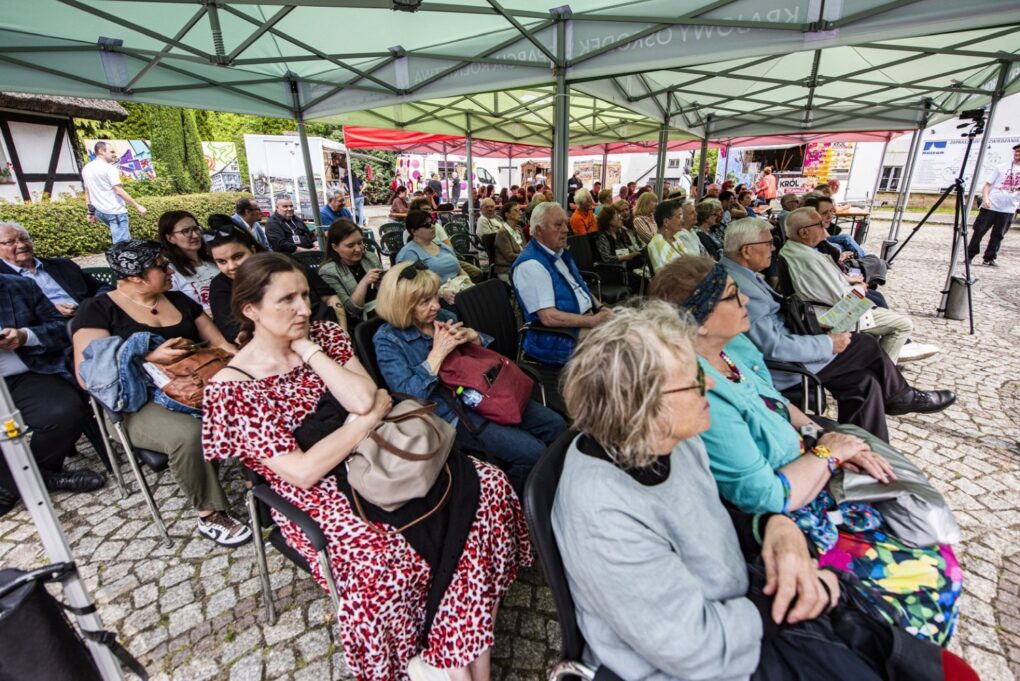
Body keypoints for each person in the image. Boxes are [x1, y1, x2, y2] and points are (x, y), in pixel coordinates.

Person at [552, 301, 975, 680]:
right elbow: (697, 650)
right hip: (707, 659)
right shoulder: (601, 510)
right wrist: (792, 602)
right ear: (643, 403)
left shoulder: (668, 440)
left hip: (741, 605)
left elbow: (711, 515)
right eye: (693, 381)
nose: (713, 386)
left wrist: (774, 528)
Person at [202, 253, 531, 681]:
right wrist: (367, 418)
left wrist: (307, 348)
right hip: (316, 494)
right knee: (384, 558)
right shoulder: (230, 390)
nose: (304, 308)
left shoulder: (323, 336)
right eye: (287, 300)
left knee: (487, 487)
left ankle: (447, 649)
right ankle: (429, 657)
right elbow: (302, 472)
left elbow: (364, 399)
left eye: (304, 295)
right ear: (251, 310)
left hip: (377, 455)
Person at [648, 256, 964, 646]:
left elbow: (779, 405)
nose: (747, 299)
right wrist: (828, 452)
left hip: (811, 474)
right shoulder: (701, 390)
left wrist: (821, 433)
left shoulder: (736, 350)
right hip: (787, 512)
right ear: (699, 322)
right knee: (937, 570)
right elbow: (763, 496)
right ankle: (906, 658)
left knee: (924, 526)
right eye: (733, 295)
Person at [71, 240, 250, 546]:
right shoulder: (98, 309)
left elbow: (221, 345)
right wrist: (146, 357)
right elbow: (88, 375)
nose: (170, 270)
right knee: (190, 434)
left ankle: (258, 485)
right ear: (136, 276)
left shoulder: (179, 300)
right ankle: (210, 514)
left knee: (253, 400)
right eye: (162, 266)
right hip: (137, 400)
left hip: (195, 384)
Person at [721, 218, 955, 441]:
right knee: (864, 344)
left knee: (864, 383)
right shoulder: (741, 286)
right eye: (768, 243)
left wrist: (813, 328)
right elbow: (773, 346)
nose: (773, 248)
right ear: (747, 251)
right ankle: (900, 396)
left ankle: (873, 451)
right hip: (783, 368)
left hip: (791, 348)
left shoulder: (743, 275)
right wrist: (828, 344)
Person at [374, 261, 566, 494]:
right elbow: (409, 397)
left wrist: (475, 338)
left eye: (436, 296)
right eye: (425, 302)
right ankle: (520, 505)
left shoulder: (442, 316)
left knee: (556, 425)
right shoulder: (388, 340)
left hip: (487, 392)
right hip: (451, 414)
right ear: (403, 305)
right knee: (532, 453)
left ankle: (556, 484)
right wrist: (436, 355)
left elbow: (484, 356)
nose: (436, 306)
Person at [0, 274, 103, 517]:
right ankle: (49, 480)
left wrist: (25, 336)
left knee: (65, 412)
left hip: (24, 374)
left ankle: (13, 484)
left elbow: (61, 328)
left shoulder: (18, 285)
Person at [781, 208, 916, 363]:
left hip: (814, 309)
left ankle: (875, 363)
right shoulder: (809, 259)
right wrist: (861, 288)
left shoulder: (792, 249)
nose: (825, 227)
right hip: (829, 316)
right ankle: (886, 375)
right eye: (819, 224)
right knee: (903, 325)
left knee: (877, 301)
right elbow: (844, 300)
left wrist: (846, 280)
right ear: (804, 232)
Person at [205, 221, 346, 341]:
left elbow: (330, 297)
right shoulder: (220, 287)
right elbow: (237, 335)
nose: (231, 267)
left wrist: (343, 337)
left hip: (329, 336)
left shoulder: (285, 262)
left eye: (238, 256)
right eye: (221, 262)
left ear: (252, 250)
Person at [511, 202, 611, 367]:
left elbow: (581, 288)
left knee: (634, 332)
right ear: (538, 231)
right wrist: (593, 321)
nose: (565, 229)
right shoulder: (531, 265)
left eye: (565, 223)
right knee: (622, 349)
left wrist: (600, 307)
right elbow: (549, 318)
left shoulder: (559, 253)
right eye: (558, 225)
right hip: (557, 339)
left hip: (581, 322)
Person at [0, 221, 110, 315]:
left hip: (91, 316)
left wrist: (93, 303)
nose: (21, 245)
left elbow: (104, 287)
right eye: (10, 242)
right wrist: (50, 311)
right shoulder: (3, 279)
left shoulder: (63, 265)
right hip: (49, 331)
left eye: (25, 239)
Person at [318, 218, 383, 325]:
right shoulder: (328, 272)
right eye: (350, 245)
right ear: (335, 247)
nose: (358, 249)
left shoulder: (369, 258)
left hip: (381, 309)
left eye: (360, 242)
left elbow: (386, 291)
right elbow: (351, 310)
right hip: (358, 323)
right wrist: (364, 282)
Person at [396, 211, 470, 304]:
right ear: (413, 231)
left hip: (459, 291)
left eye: (433, 222)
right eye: (427, 225)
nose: (432, 226)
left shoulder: (442, 246)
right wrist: (440, 293)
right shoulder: (409, 253)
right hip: (432, 300)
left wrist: (468, 284)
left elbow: (460, 270)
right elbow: (410, 287)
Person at [81, 140, 146, 244]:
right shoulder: (109, 169)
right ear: (101, 151)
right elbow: (119, 191)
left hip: (100, 212)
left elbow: (87, 192)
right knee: (121, 244)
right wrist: (137, 206)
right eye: (111, 152)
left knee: (126, 241)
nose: (114, 154)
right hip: (114, 211)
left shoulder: (86, 169)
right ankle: (121, 259)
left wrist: (90, 212)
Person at [967, 142, 1020, 267]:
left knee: (998, 235)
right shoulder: (1001, 167)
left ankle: (989, 257)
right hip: (991, 205)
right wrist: (985, 199)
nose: (1017, 154)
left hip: (1008, 208)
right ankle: (970, 255)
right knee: (979, 231)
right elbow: (987, 184)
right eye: (1016, 151)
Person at [157, 210, 220, 311]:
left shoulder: (215, 260)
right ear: (170, 238)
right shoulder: (170, 272)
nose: (195, 235)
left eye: (196, 229)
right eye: (186, 231)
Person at [492, 202, 525, 282]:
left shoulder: (519, 229)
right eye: (515, 210)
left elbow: (526, 248)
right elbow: (509, 256)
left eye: (519, 210)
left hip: (521, 265)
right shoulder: (503, 233)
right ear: (507, 215)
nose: (520, 213)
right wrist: (527, 256)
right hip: (507, 269)